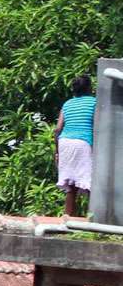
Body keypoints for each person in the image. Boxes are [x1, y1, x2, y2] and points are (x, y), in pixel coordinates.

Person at [54, 75, 96, 216]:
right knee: (90, 183)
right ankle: (94, 219)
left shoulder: (68, 104)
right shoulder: (94, 103)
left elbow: (58, 129)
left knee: (71, 186)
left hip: (64, 142)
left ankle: (68, 218)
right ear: (90, 88)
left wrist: (57, 152)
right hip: (83, 142)